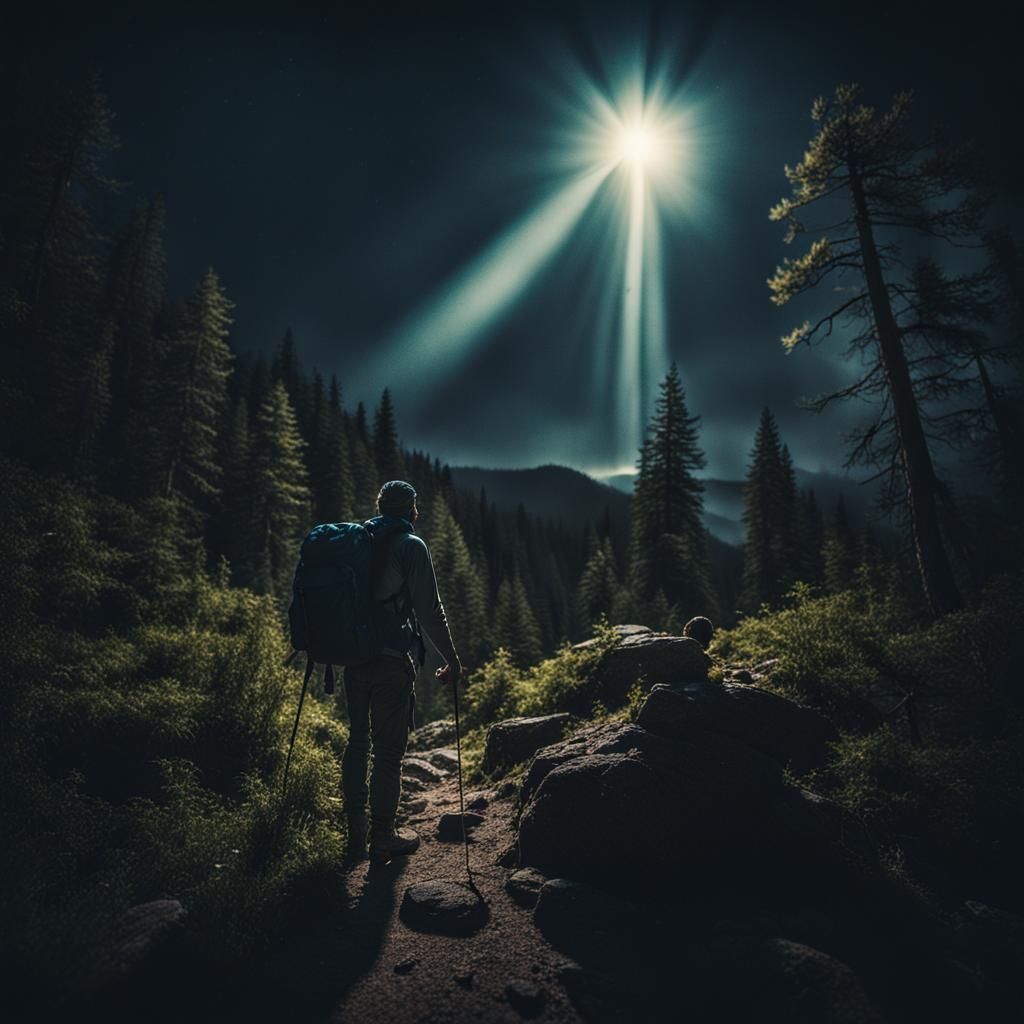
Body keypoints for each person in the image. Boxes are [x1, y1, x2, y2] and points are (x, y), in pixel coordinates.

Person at [341, 480, 464, 865]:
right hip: (391, 662)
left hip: (353, 659)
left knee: (358, 741)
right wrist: (453, 660)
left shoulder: (359, 540)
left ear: (380, 506)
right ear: (412, 509)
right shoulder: (411, 546)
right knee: (388, 753)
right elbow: (430, 610)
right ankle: (382, 836)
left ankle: (354, 837)